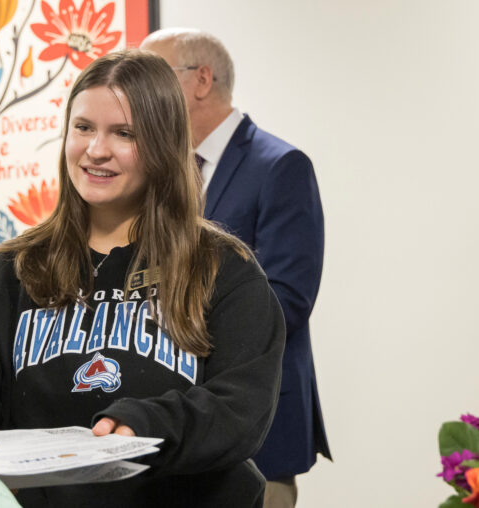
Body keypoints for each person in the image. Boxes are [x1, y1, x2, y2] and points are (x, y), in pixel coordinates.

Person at [0, 49, 286, 507]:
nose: (96, 150)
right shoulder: (4, 273)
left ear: (164, 145)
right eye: (83, 127)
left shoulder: (222, 269)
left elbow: (241, 409)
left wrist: (145, 426)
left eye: (124, 133)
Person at [141, 28, 330, 508]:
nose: (142, 94)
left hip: (256, 425)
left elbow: (286, 300)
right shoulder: (162, 174)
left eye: (154, 77)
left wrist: (177, 333)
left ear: (201, 80)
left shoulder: (281, 166)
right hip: (179, 434)